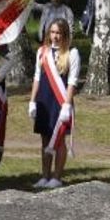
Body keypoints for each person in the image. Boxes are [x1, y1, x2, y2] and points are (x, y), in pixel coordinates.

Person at [28, 19, 80, 189]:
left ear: (64, 34)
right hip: (44, 98)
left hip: (60, 100)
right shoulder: (42, 52)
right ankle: (45, 176)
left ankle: (57, 177)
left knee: (59, 140)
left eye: (58, 33)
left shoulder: (72, 53)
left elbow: (72, 81)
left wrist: (67, 105)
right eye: (52, 32)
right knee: (44, 138)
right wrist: (32, 101)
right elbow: (37, 77)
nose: (55, 36)